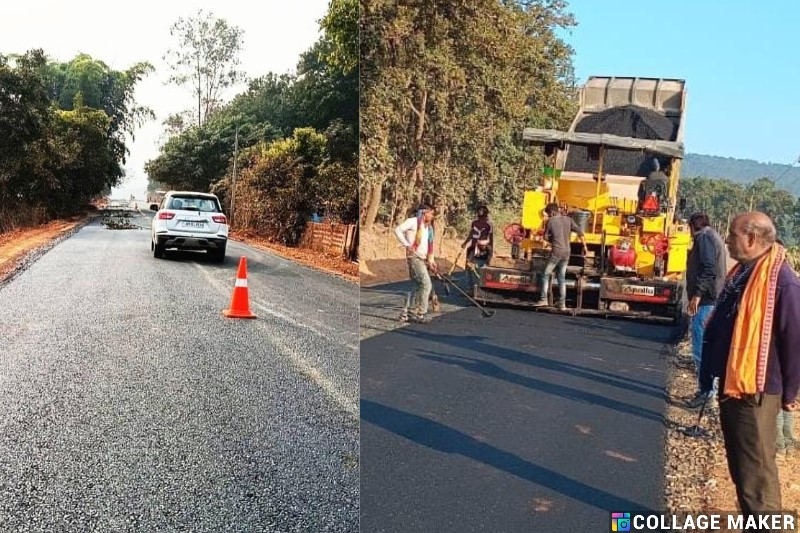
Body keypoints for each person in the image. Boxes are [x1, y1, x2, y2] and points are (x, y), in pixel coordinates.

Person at [699, 211, 800, 517]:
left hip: (755, 392)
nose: (727, 240)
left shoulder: (782, 282)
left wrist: (790, 394)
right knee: (743, 469)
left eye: (732, 234)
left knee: (756, 474)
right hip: (734, 385)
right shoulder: (744, 273)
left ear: (752, 238)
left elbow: (795, 342)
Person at [684, 212, 727, 409]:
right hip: (710, 298)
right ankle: (706, 390)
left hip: (707, 300)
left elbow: (708, 269)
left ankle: (707, 393)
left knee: (701, 348)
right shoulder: (712, 236)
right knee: (703, 347)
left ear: (692, 227)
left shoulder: (704, 239)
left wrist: (697, 295)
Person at [533, 203, 588, 309]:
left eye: (549, 214)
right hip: (567, 252)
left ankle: (543, 299)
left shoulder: (551, 221)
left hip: (557, 252)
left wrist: (550, 241)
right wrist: (584, 246)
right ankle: (562, 303)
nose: (548, 216)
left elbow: (545, 238)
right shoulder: (568, 220)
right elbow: (580, 232)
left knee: (545, 274)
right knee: (561, 277)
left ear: (552, 212)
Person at [394, 204, 438, 323]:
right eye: (431, 213)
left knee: (417, 286)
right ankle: (421, 314)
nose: (432, 216)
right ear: (424, 212)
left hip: (423, 259)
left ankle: (406, 313)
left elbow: (430, 247)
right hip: (414, 257)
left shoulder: (429, 228)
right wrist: (407, 245)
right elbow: (397, 230)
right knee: (426, 284)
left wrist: (431, 261)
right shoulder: (412, 222)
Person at [461, 205, 493, 286]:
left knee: (478, 269)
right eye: (479, 210)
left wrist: (490, 251)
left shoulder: (489, 224)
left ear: (485, 213)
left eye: (481, 211)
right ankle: (469, 287)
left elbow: (491, 238)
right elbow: (471, 233)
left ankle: (478, 288)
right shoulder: (474, 223)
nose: (479, 212)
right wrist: (465, 242)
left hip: (482, 249)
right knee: (468, 267)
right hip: (472, 248)